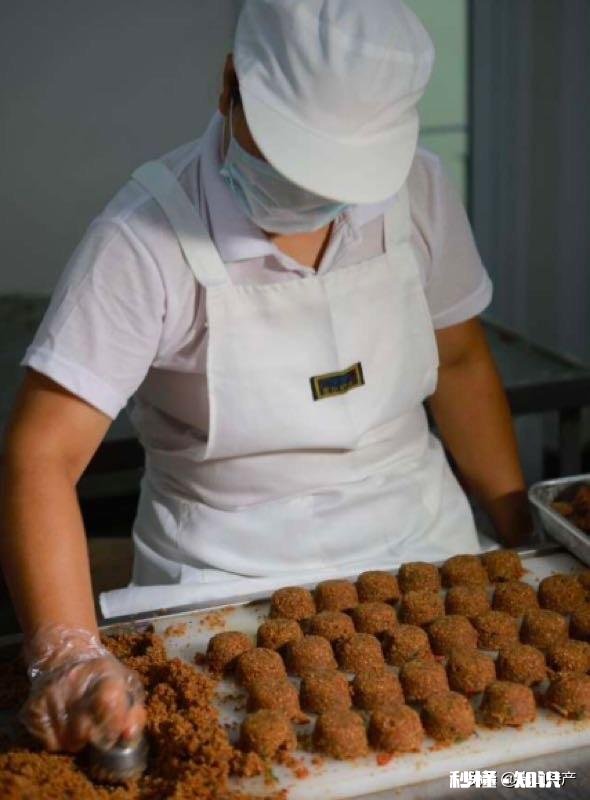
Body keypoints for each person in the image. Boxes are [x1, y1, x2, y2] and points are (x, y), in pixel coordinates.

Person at [0, 0, 531, 754]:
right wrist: (69, 657)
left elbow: (464, 361)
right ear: (230, 87)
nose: (311, 196)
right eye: (293, 161)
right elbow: (41, 456)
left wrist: (524, 538)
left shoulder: (419, 190)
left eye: (342, 175)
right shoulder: (141, 240)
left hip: (427, 556)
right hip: (222, 590)